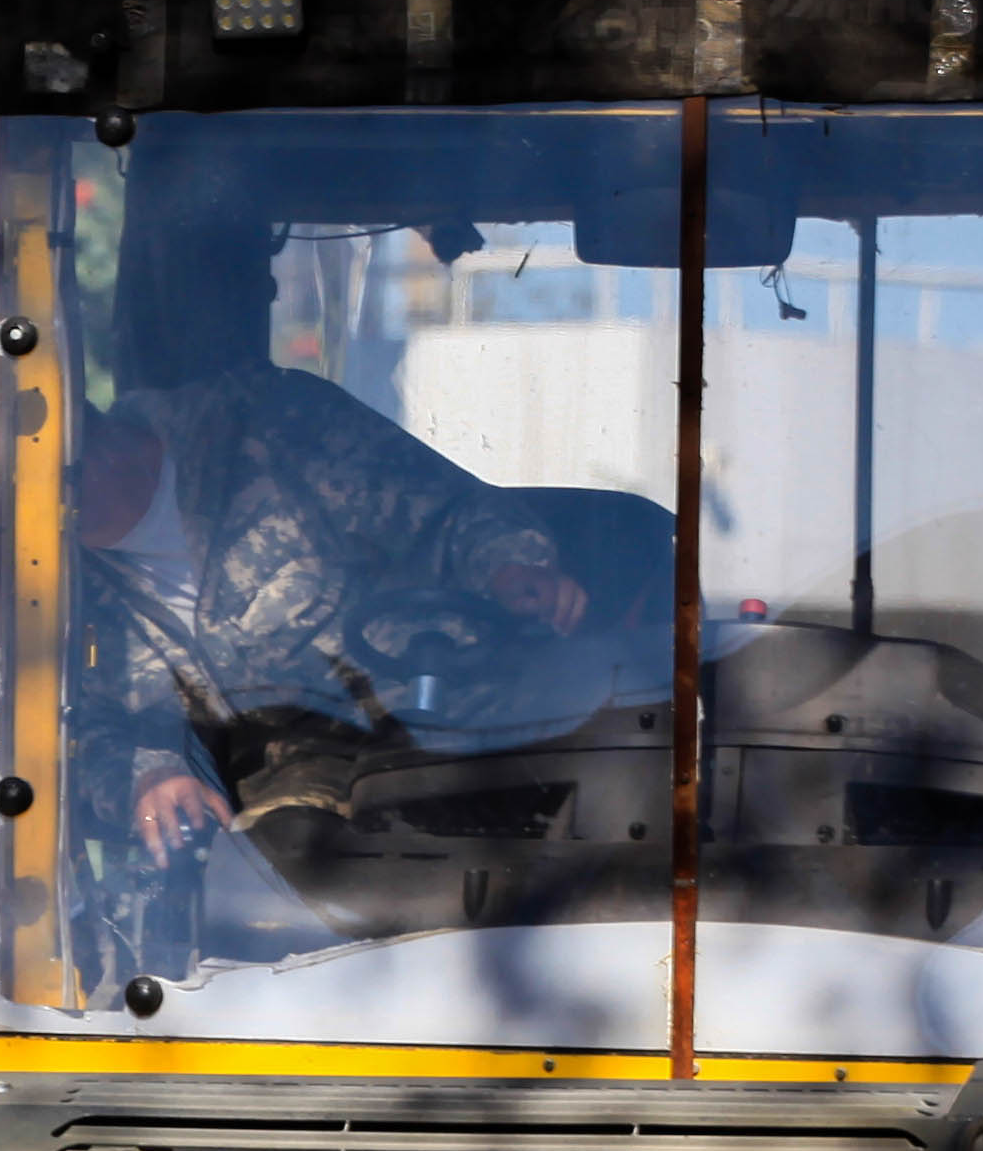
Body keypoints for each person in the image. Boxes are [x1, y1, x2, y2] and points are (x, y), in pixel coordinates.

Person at [72, 364, 613, 860]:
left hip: (475, 743)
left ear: (80, 444)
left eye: (1, 493)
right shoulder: (48, 589)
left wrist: (508, 567)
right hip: (299, 850)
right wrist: (149, 777)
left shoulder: (263, 428)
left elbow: (445, 512)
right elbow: (73, 731)